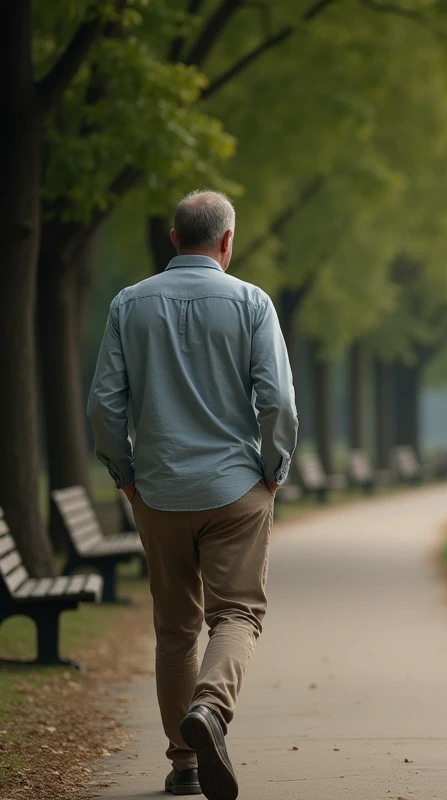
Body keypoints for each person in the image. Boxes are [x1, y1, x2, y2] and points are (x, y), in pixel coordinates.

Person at [87, 190, 298, 800]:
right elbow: (277, 401)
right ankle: (210, 708)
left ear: (175, 238)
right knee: (236, 613)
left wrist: (124, 473)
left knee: (175, 628)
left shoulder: (130, 304)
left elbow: (105, 404)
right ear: (227, 242)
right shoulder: (253, 303)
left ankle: (183, 764)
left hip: (159, 490)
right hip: (237, 488)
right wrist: (274, 466)